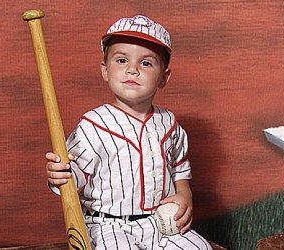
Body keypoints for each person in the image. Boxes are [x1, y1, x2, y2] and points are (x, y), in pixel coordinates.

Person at [45, 14, 212, 250]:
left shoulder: (168, 123)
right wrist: (58, 173)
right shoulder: (93, 125)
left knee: (200, 248)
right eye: (122, 60)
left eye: (146, 63)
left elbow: (179, 166)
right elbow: (71, 178)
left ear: (164, 77)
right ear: (105, 70)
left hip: (158, 222)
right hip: (107, 225)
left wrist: (185, 195)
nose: (132, 70)